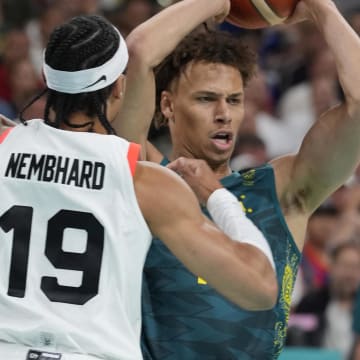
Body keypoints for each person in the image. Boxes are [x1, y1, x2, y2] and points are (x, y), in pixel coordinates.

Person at [0, 12, 278, 360]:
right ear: (119, 87)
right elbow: (260, 286)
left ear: (47, 78)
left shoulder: (4, 144)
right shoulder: (143, 180)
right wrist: (218, 197)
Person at [113, 0, 360, 358]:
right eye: (206, 99)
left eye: (234, 100)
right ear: (167, 106)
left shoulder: (281, 188)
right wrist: (217, 2)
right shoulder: (144, 177)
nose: (223, 114)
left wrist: (321, 7)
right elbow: (138, 52)